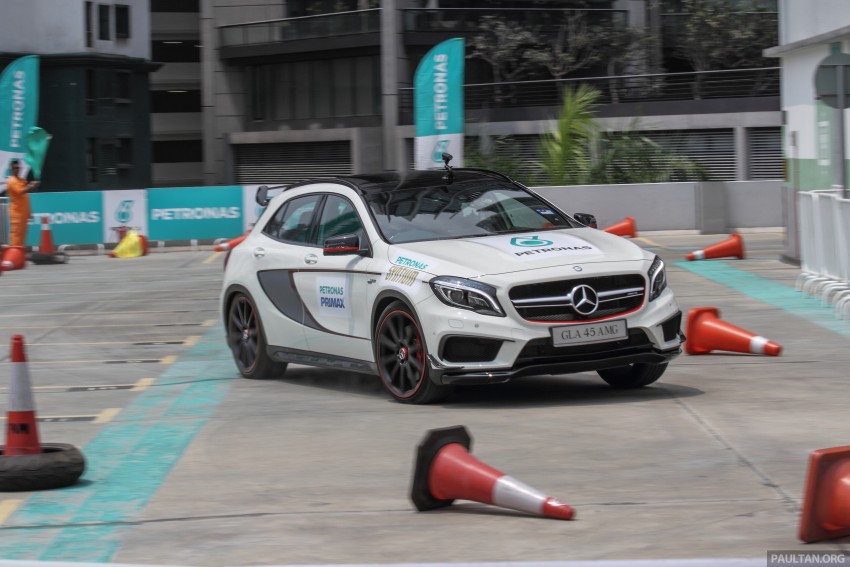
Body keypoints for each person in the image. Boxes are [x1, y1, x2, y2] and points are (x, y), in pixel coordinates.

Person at [4, 159, 39, 247]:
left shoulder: (21, 180)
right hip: (17, 213)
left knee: (22, 235)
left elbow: (25, 197)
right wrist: (31, 185)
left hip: (23, 212)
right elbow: (20, 191)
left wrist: (29, 212)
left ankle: (18, 254)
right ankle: (13, 253)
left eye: (18, 168)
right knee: (16, 234)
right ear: (11, 169)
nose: (17, 169)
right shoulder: (11, 181)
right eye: (15, 168)